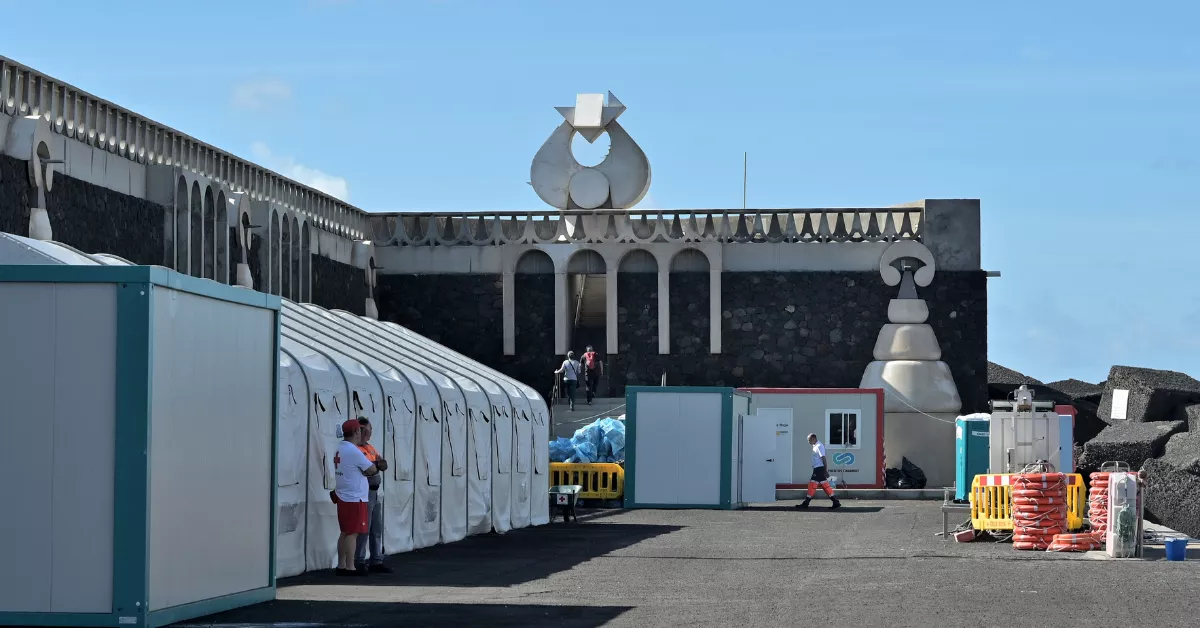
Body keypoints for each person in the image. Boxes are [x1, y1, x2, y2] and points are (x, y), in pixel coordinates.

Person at [332, 419, 384, 576]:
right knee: (353, 533)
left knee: (344, 531)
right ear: (356, 432)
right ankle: (350, 566)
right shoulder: (353, 451)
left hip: (343, 495)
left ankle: (341, 565)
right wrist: (373, 468)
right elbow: (372, 469)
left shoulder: (340, 448)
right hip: (355, 497)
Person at [353, 417, 393, 574]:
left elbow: (382, 463)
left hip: (375, 492)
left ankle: (376, 560)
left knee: (376, 528)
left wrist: (375, 465)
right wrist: (376, 465)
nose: (370, 433)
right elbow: (366, 469)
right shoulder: (355, 449)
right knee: (364, 528)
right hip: (364, 492)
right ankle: (359, 560)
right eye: (368, 430)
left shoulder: (370, 448)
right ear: (362, 430)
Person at [796, 433, 841, 509]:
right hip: (817, 469)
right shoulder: (815, 446)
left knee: (812, 484)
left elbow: (823, 458)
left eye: (809, 440)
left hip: (819, 469)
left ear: (813, 438)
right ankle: (835, 502)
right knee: (825, 486)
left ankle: (806, 503)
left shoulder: (819, 446)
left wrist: (825, 470)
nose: (808, 442)